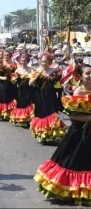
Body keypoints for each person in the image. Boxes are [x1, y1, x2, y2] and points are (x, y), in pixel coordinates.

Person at [34, 64, 91, 205]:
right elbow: (73, 117)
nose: (90, 76)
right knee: (75, 162)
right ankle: (72, 190)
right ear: (80, 76)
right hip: (79, 133)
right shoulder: (79, 92)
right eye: (88, 74)